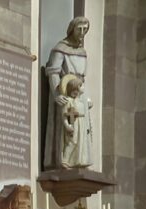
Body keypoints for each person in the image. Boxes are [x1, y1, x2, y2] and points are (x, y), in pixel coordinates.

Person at [44, 17, 91, 170]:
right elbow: (53, 72)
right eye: (80, 29)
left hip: (79, 96)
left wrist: (86, 98)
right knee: (69, 134)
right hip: (65, 93)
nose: (82, 33)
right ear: (72, 29)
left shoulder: (82, 52)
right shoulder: (60, 48)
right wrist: (57, 94)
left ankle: (79, 160)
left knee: (80, 131)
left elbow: (82, 78)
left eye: (85, 29)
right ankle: (64, 160)